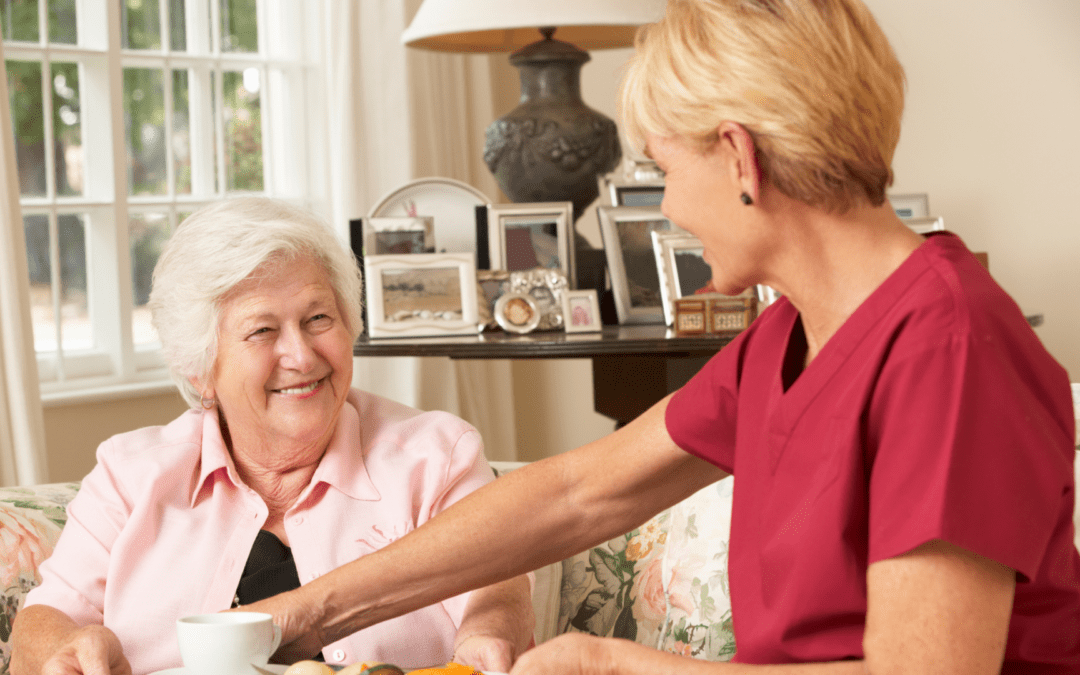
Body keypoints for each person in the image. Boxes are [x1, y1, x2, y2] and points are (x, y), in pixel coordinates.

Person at [232, 0, 1080, 673]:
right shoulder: (790, 335)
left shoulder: (951, 349)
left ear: (741, 160)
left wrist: (618, 667)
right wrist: (305, 613)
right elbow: (577, 491)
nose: (665, 208)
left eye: (664, 171)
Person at [10, 198, 534, 675]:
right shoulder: (131, 475)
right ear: (201, 369)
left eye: (318, 318)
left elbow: (496, 586)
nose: (302, 357)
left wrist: (486, 635)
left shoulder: (434, 458)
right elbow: (48, 616)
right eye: (262, 331)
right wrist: (70, 649)